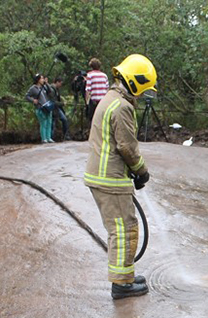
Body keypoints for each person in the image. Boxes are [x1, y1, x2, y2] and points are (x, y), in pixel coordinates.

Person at [84, 54, 157, 299]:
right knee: (124, 230)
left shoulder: (110, 98)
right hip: (110, 178)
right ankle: (122, 285)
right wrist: (141, 171)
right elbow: (128, 147)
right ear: (135, 82)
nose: (141, 95)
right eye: (142, 89)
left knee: (121, 228)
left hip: (104, 175)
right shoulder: (122, 107)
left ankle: (124, 276)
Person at [25, 74, 54, 143]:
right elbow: (27, 96)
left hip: (47, 107)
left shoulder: (44, 87)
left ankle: (49, 137)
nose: (43, 80)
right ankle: (44, 138)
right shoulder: (33, 88)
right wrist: (33, 100)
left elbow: (51, 92)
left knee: (49, 122)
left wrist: (47, 84)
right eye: (41, 78)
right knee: (43, 122)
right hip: (40, 107)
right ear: (38, 80)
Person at [85, 58, 109, 124]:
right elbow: (107, 89)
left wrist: (87, 102)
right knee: (102, 120)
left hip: (94, 102)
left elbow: (88, 90)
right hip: (103, 102)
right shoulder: (104, 75)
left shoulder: (90, 75)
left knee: (93, 120)